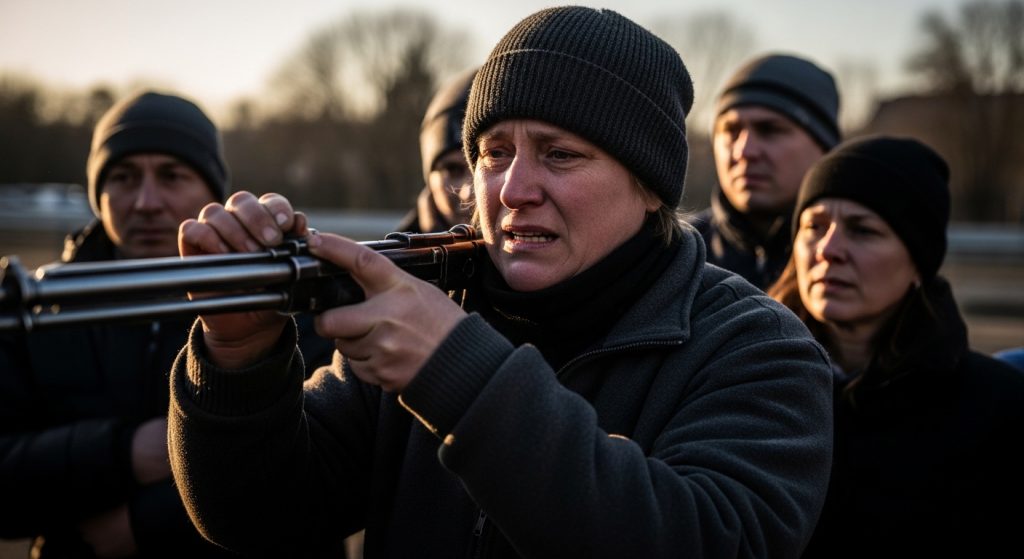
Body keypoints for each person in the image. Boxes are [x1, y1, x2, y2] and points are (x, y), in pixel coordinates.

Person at [169, 7, 833, 558]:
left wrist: (458, 372)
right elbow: (256, 516)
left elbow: (713, 539)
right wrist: (239, 357)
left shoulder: (758, 345)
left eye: (560, 153)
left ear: (651, 188)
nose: (513, 189)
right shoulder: (426, 311)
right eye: (492, 154)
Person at [0, 91, 334, 558]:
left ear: (214, 193)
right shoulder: (37, 306)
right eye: (123, 177)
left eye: (172, 176)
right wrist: (125, 452)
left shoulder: (277, 300)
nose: (146, 202)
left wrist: (144, 524)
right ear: (98, 194)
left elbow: (319, 473)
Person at [765, 136, 1024, 557]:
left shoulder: (999, 409)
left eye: (863, 230)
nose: (829, 250)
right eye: (813, 227)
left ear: (919, 264)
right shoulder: (744, 383)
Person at [690, 54, 840, 290]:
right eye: (731, 130)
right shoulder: (672, 255)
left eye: (770, 130)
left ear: (824, 147)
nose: (745, 151)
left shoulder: (853, 261)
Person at [395, 67, 478, 233]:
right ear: (429, 179)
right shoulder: (389, 257)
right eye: (453, 170)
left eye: (483, 168)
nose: (468, 193)